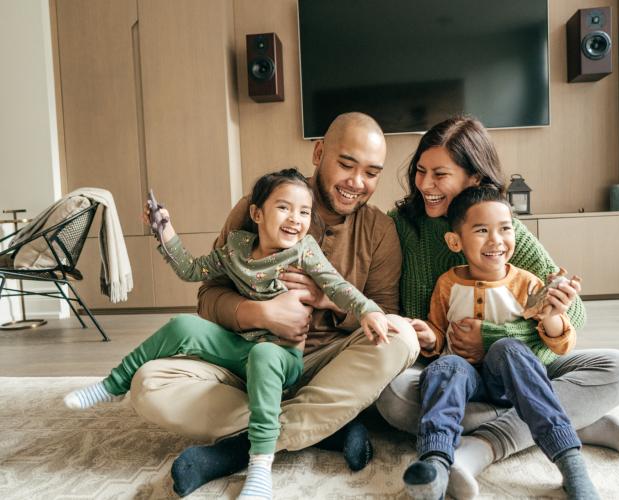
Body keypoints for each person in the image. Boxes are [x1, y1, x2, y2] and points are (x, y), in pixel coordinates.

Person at [126, 112, 420, 497]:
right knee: (148, 385)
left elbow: (383, 313)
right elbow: (208, 295)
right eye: (346, 165)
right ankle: (323, 427)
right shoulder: (259, 205)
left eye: (371, 172)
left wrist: (326, 300)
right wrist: (261, 313)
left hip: (325, 367)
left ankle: (237, 448)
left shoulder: (380, 231)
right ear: (318, 153)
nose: (357, 183)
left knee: (401, 338)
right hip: (247, 361)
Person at [63, 168, 392, 499]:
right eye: (284, 208)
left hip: (281, 357)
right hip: (239, 348)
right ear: (256, 214)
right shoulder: (236, 248)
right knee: (182, 325)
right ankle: (112, 384)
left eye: (304, 212)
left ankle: (260, 465)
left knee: (265, 354)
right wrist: (165, 231)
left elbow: (337, 286)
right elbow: (192, 270)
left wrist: (367, 310)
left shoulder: (304, 250)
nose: (295, 218)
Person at [376, 116, 619, 498]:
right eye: (420, 171)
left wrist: (492, 336)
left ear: (474, 178)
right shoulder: (401, 225)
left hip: (516, 364)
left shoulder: (501, 227)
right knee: (394, 399)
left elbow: (574, 314)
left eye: (439, 174)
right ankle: (575, 421)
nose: (425, 185)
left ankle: (478, 449)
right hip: (449, 372)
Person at [401, 185, 598, 500]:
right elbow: (439, 333)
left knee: (508, 349)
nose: (496, 240)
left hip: (511, 381)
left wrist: (553, 315)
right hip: (464, 382)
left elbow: (561, 345)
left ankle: (570, 462)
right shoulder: (447, 283)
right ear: (455, 241)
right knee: (445, 365)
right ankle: (435, 465)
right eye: (481, 230)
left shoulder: (527, 283)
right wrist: (428, 337)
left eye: (504, 229)